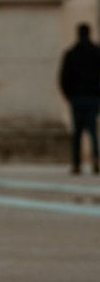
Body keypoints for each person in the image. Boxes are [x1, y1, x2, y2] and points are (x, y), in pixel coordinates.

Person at [58, 23, 100, 175]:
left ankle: (76, 163)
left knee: (77, 132)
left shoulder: (71, 54)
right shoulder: (97, 52)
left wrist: (69, 95)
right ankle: (96, 159)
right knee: (93, 131)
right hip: (93, 97)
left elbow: (64, 78)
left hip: (77, 97)